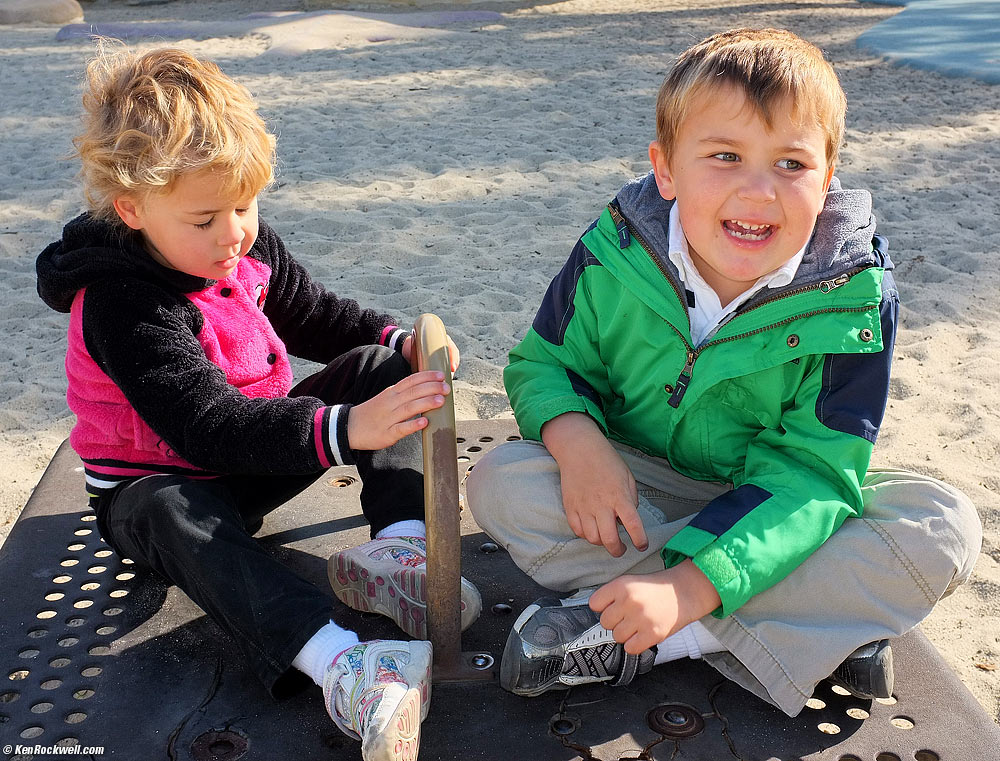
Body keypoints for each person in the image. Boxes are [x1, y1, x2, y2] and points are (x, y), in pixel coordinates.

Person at [466, 27, 982, 716]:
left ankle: (665, 637)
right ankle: (809, 627)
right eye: (725, 156)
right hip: (639, 488)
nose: (758, 190)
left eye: (792, 164)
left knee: (942, 523)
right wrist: (576, 440)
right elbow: (544, 364)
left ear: (828, 178)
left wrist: (688, 588)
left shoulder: (853, 299)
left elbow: (814, 473)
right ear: (666, 170)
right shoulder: (615, 252)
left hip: (773, 507)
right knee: (502, 479)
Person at [35, 44, 481, 761]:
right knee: (171, 508)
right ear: (133, 208)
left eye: (244, 205)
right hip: (157, 488)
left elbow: (312, 312)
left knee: (374, 369)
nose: (233, 233)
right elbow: (205, 425)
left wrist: (397, 341)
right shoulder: (122, 301)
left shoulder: (240, 241)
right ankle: (341, 664)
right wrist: (345, 429)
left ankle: (398, 550)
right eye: (206, 218)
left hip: (245, 461)